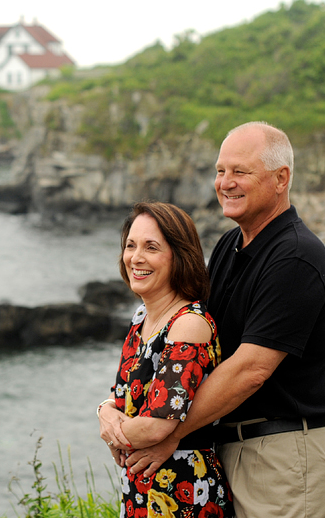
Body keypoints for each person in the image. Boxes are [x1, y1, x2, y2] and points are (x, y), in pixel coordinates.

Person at [125, 122, 325, 517]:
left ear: (282, 179)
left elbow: (250, 370)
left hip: (283, 456)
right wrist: (111, 406)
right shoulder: (231, 245)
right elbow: (191, 347)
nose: (225, 182)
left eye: (240, 171)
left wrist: (167, 433)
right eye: (220, 170)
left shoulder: (295, 256)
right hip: (228, 447)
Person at [98, 201, 234, 518]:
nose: (136, 257)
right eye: (130, 246)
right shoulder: (141, 318)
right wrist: (105, 409)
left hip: (184, 491)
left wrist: (110, 433)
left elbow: (159, 425)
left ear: (179, 256)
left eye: (151, 247)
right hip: (141, 489)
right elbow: (124, 399)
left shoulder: (188, 324)